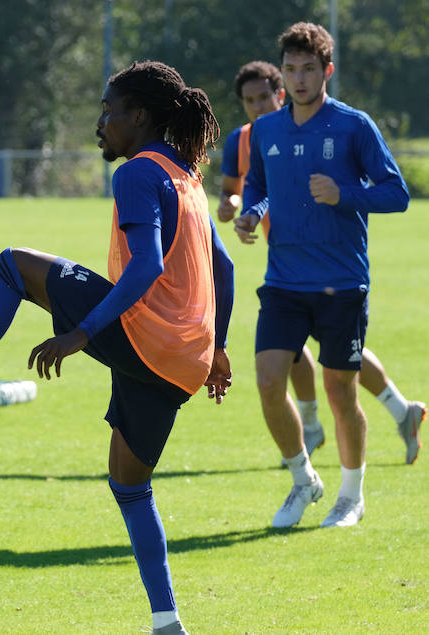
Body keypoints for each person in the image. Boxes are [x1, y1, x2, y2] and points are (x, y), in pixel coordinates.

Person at [0, 61, 234, 635]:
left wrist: (82, 331)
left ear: (138, 116)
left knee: (12, 266)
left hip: (143, 339)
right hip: (182, 362)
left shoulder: (140, 173)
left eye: (108, 110)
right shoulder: (188, 177)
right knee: (129, 483)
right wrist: (216, 348)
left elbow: (146, 264)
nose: (100, 122)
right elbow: (223, 268)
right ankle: (167, 622)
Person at [234, 24, 411, 529]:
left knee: (340, 394)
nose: (298, 78)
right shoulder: (264, 129)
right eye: (290, 70)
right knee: (269, 380)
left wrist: (344, 193)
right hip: (284, 281)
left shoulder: (354, 126)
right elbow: (259, 184)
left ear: (326, 71)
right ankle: (302, 479)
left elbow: (396, 193)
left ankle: (351, 496)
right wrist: (250, 213)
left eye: (308, 69)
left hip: (342, 282)